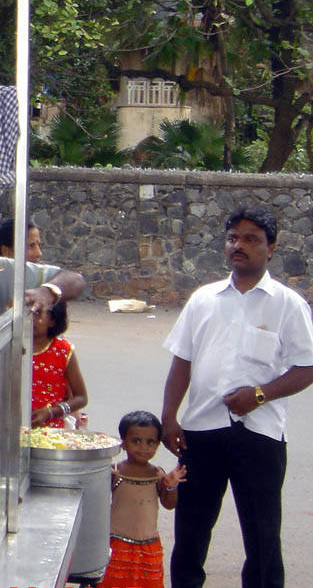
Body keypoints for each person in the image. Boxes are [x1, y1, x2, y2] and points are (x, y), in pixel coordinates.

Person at [160, 206, 313, 588]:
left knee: (262, 537)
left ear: (271, 248)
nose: (238, 246)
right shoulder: (203, 299)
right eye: (233, 238)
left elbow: (306, 368)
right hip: (201, 430)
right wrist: (169, 417)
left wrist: (259, 395)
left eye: (250, 239)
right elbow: (182, 361)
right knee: (191, 532)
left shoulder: (287, 304)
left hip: (260, 435)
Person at [96, 411, 187, 588]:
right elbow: (97, 503)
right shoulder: (116, 472)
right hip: (117, 544)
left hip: (148, 545)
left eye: (150, 442)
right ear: (123, 442)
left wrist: (171, 486)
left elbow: (169, 504)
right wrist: (105, 479)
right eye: (136, 441)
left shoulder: (157, 474)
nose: (143, 448)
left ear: (157, 445)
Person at [30, 300, 88, 428]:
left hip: (51, 432)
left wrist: (52, 412)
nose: (30, 318)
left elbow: (81, 397)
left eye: (38, 313)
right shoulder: (11, 347)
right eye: (28, 312)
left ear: (53, 321)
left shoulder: (63, 351)